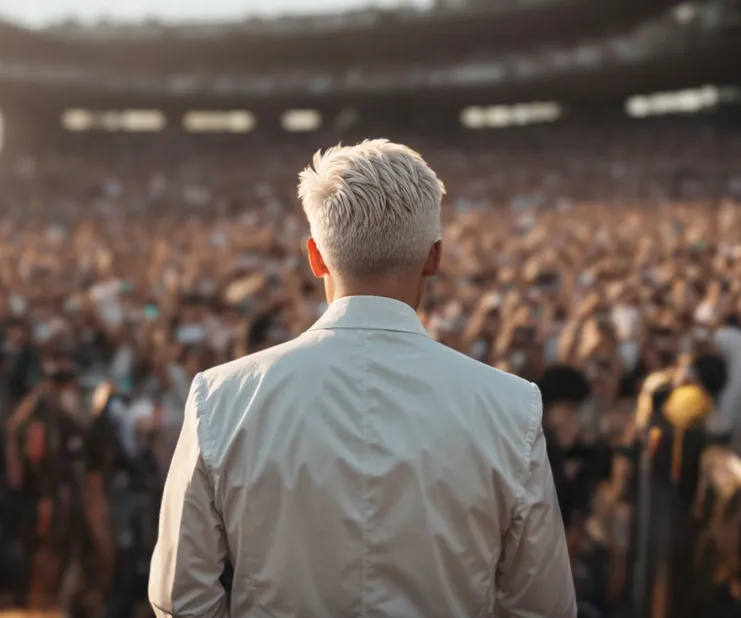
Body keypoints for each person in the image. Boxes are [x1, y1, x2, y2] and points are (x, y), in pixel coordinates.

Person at [150, 139, 576, 618]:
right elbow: (543, 607)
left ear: (315, 258)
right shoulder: (511, 407)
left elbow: (181, 598)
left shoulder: (222, 397)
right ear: (434, 258)